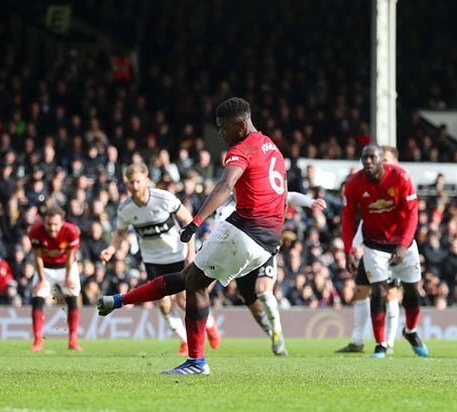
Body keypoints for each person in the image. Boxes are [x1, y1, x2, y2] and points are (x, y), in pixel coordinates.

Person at [98, 97, 287, 374]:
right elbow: (280, 194)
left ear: (241, 124)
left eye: (223, 128)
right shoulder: (271, 147)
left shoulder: (240, 149)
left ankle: (196, 361)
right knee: (191, 280)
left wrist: (196, 221)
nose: (220, 134)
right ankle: (120, 301)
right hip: (268, 239)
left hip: (246, 229)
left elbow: (225, 185)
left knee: (193, 284)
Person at [99, 162, 220, 356]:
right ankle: (185, 341)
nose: (135, 186)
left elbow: (188, 220)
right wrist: (111, 249)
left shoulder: (163, 198)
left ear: (146, 180)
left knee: (183, 300)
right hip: (153, 260)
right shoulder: (126, 209)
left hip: (177, 254)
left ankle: (211, 327)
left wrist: (190, 252)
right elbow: (120, 233)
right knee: (163, 304)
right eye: (130, 183)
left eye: (138, 181)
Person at [341, 144, 428, 358]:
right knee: (378, 290)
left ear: (382, 160)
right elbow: (348, 218)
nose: (368, 162)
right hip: (374, 246)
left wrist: (403, 243)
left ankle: (411, 331)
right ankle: (381, 344)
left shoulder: (401, 177)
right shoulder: (353, 184)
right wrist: (348, 249)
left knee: (411, 291)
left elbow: (412, 214)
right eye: (364, 158)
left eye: (372, 158)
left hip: (403, 243)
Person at [231, 192, 326, 356]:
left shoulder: (260, 190)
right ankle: (274, 334)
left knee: (263, 290)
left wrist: (310, 202)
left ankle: (277, 333)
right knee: (253, 305)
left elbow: (289, 195)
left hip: (265, 249)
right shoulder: (224, 205)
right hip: (241, 258)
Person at [336, 145, 402, 354]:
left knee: (389, 292)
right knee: (361, 290)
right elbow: (363, 219)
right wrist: (354, 246)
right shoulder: (369, 184)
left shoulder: (399, 183)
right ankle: (357, 341)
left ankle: (388, 343)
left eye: (388, 160)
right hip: (371, 245)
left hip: (392, 246)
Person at [28, 206, 83, 351]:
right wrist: (41, 279)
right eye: (49, 224)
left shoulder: (72, 231)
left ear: (62, 222)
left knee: (72, 298)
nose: (52, 228)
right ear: (44, 222)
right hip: (44, 268)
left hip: (67, 266)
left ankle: (72, 340)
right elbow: (37, 256)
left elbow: (71, 256)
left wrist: (68, 277)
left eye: (55, 224)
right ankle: (38, 341)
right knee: (37, 298)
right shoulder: (35, 232)